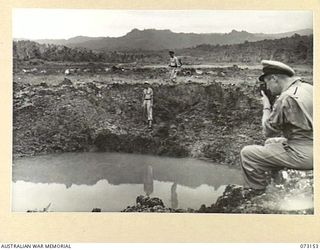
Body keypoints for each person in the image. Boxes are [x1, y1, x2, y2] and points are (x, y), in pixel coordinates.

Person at [240, 60, 313, 192]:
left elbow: (268, 131)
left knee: (247, 154)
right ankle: (280, 184)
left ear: (274, 79)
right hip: (311, 144)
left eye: (267, 83)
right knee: (270, 143)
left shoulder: (286, 98)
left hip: (306, 154)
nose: (267, 88)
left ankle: (256, 192)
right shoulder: (308, 88)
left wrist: (266, 106)